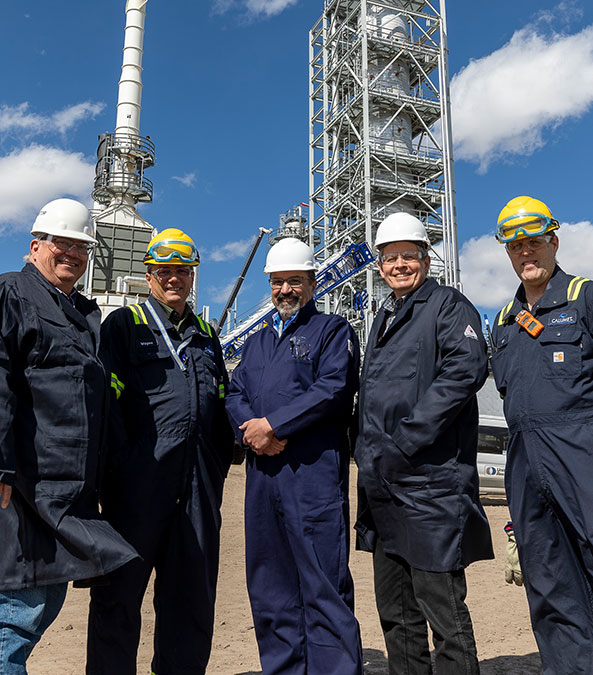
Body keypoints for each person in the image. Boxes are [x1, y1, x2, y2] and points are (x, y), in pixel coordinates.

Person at [86, 229, 234, 675]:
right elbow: (106, 406)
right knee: (117, 598)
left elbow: (222, 407)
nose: (174, 279)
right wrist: (118, 475)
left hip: (197, 493)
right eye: (164, 271)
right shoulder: (124, 325)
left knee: (190, 601)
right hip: (137, 491)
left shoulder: (206, 335)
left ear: (192, 277)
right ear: (149, 275)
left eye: (182, 271)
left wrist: (215, 472)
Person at [0, 198, 137, 674]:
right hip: (23, 487)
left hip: (65, 493)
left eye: (81, 246)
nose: (73, 254)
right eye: (62, 243)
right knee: (17, 617)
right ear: (35, 245)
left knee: (38, 607)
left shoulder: (80, 312)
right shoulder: (13, 293)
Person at [355, 212, 493, 675]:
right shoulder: (384, 317)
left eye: (408, 256)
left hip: (430, 489)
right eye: (389, 258)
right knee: (397, 615)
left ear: (426, 259)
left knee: (444, 616)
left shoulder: (447, 306)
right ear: (379, 266)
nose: (399, 265)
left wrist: (404, 442)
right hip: (383, 489)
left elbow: (465, 370)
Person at [225, 237, 363, 675]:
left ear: (313, 283)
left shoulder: (332, 331)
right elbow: (234, 393)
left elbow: (333, 389)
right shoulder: (257, 342)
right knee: (271, 588)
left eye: (295, 281)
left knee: (323, 586)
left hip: (312, 477)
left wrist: (274, 426)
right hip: (263, 478)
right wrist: (253, 434)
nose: (285, 290)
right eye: (278, 282)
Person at [490, 195, 593, 674]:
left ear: (553, 241)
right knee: (549, 584)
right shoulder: (503, 322)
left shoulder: (584, 298)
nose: (524, 252)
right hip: (525, 466)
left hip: (582, 454)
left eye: (533, 242)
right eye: (515, 247)